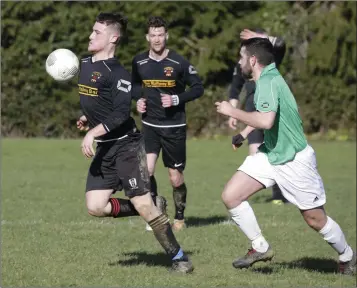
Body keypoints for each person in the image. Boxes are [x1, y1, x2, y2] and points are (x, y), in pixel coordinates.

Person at [215, 37, 356, 275]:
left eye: (241, 57)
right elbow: (266, 113)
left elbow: (267, 120)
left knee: (315, 219)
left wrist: (233, 111)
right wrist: (244, 133)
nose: (239, 63)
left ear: (252, 60)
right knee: (231, 196)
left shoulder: (269, 81)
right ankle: (260, 247)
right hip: (270, 154)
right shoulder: (267, 78)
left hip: (294, 159)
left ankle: (348, 257)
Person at [76, 12, 193, 273]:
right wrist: (87, 117)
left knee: (142, 204)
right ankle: (153, 203)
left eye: (97, 32)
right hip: (106, 147)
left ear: (113, 38)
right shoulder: (85, 63)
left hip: (126, 145)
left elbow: (120, 113)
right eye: (92, 31)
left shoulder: (118, 73)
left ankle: (180, 258)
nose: (90, 35)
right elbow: (97, 101)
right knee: (95, 206)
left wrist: (93, 132)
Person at [131, 16, 204, 231]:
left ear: (166, 36)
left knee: (175, 178)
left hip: (174, 128)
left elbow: (198, 88)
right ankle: (156, 213)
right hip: (150, 126)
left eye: (160, 35)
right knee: (147, 171)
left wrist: (176, 99)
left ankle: (179, 216)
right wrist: (139, 101)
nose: (156, 39)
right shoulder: (139, 62)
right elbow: (135, 86)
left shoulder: (179, 62)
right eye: (152, 35)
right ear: (147, 37)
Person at [228, 29, 288, 205]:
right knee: (255, 155)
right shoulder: (242, 66)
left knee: (275, 154)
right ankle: (245, 193)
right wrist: (233, 113)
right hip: (252, 111)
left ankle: (278, 194)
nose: (240, 60)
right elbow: (234, 89)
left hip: (269, 114)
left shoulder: (269, 64)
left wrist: (259, 37)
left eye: (243, 55)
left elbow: (280, 43)